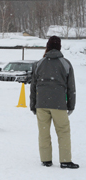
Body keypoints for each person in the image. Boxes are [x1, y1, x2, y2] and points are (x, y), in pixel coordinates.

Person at [30, 36, 79, 169]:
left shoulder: (38, 63)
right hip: (59, 104)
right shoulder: (65, 63)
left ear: (48, 46)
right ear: (59, 47)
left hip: (41, 104)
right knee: (63, 131)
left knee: (43, 132)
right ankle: (65, 160)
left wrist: (33, 104)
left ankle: (46, 160)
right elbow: (71, 87)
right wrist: (71, 105)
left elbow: (33, 86)